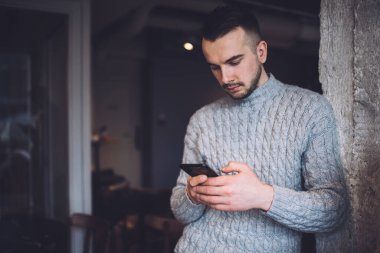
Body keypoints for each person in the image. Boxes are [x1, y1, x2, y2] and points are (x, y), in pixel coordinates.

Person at [170, 4, 348, 253]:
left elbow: (334, 210)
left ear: (261, 51)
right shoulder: (202, 120)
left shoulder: (310, 110)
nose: (226, 77)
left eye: (234, 61)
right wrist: (192, 194)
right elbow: (181, 212)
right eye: (214, 67)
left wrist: (262, 196)